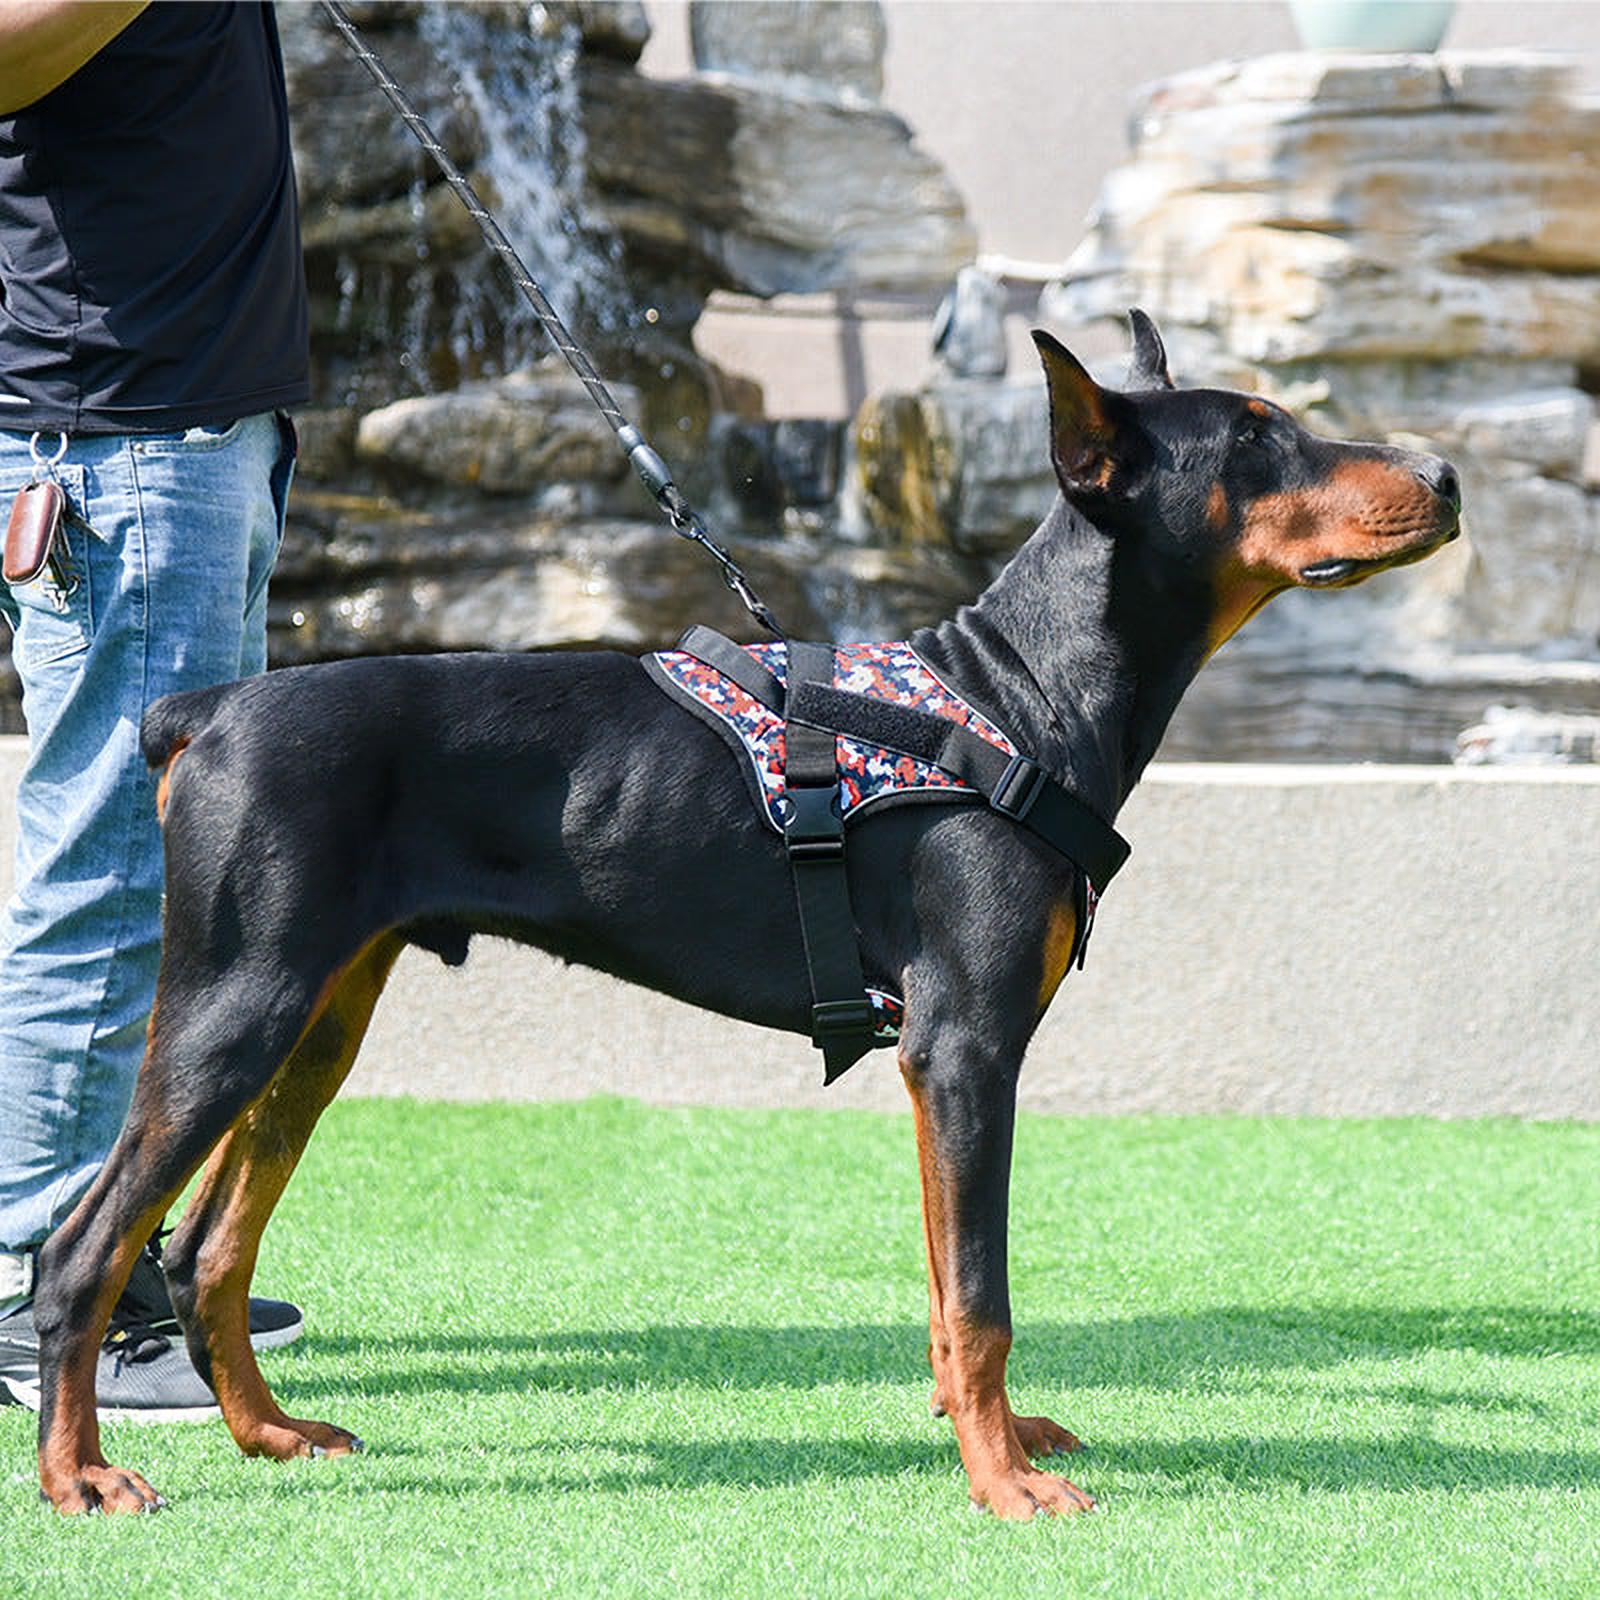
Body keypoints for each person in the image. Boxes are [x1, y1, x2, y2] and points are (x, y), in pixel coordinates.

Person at [0, 0, 309, 1416]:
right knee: (116, 874)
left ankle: (116, 1256)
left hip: (189, 430)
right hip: (117, 441)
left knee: (173, 880)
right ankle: (41, 1291)